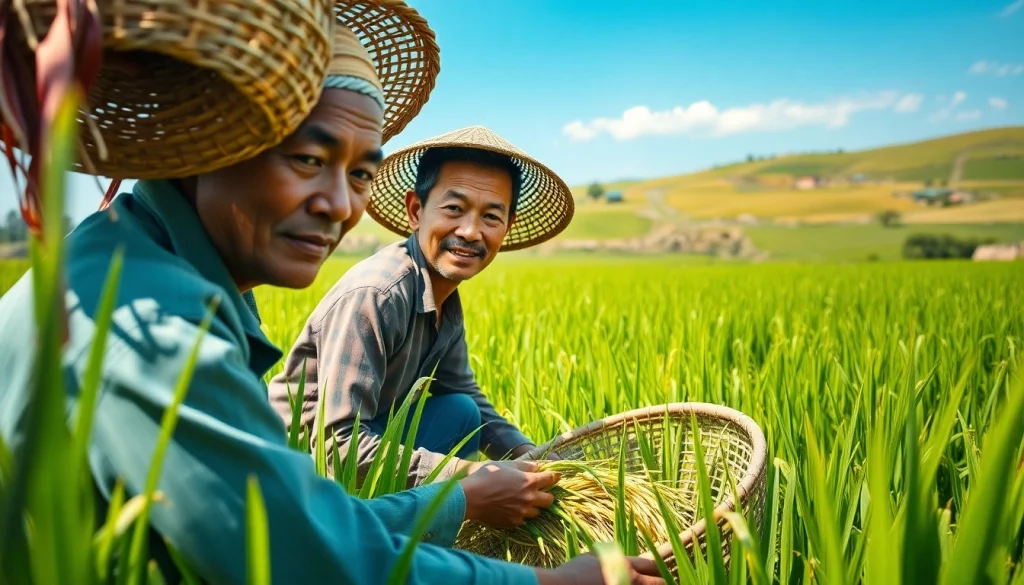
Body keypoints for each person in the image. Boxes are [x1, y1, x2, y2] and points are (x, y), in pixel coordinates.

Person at [0, 4, 664, 585]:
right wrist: (544, 580)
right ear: (209, 147)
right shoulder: (155, 331)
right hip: (329, 458)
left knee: (457, 406)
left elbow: (298, 525)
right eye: (308, 160)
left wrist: (510, 465)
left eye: (359, 173)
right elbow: (313, 558)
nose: (340, 205)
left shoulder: (157, 263)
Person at [268, 126, 576, 491]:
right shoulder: (378, 293)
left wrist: (529, 455)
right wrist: (474, 476)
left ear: (507, 227)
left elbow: (462, 389)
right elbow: (337, 444)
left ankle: (416, 515)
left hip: (369, 437)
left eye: (491, 217)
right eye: (454, 209)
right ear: (416, 211)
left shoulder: (443, 295)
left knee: (463, 411)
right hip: (298, 467)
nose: (470, 231)